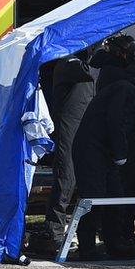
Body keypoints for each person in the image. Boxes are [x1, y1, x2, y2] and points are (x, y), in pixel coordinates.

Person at [72, 51, 135, 260]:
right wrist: (121, 153)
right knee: (93, 198)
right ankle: (87, 248)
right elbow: (115, 123)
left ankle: (115, 243)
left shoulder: (129, 90)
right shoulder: (127, 92)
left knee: (115, 197)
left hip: (104, 152)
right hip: (92, 151)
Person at [89, 35, 135, 248]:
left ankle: (123, 234)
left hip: (133, 143)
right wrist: (122, 152)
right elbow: (118, 119)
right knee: (120, 193)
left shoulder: (121, 72)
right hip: (126, 144)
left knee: (131, 189)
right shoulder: (117, 76)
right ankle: (117, 237)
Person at [38, 51, 96, 252]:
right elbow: (92, 72)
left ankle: (85, 239)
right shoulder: (68, 64)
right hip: (69, 128)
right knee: (66, 180)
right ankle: (53, 236)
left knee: (85, 183)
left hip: (83, 127)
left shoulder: (78, 64)